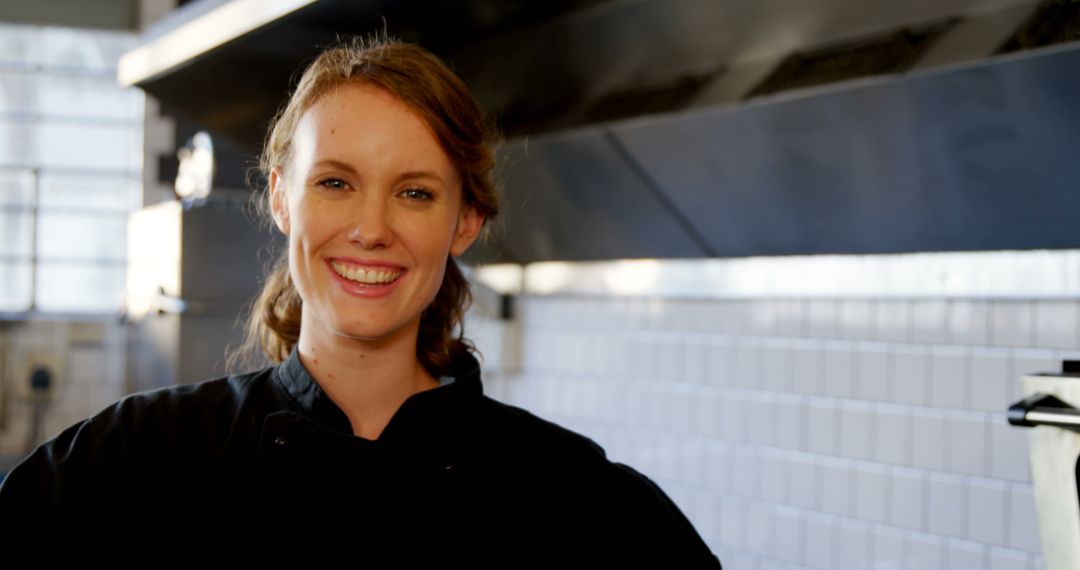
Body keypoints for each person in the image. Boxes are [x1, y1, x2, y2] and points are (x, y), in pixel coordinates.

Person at [0, 36, 721, 566]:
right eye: (336, 182)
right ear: (281, 196)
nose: (371, 231)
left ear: (465, 221)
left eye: (414, 193)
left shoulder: (571, 500)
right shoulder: (135, 463)